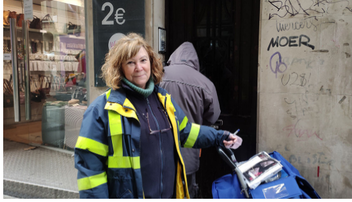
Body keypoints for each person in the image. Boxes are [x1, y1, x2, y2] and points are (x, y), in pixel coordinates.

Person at [74, 34, 241, 198]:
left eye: (143, 60)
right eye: (130, 62)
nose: (139, 68)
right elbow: (90, 170)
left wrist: (220, 137)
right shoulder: (101, 109)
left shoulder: (164, 100)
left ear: (151, 63)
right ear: (120, 68)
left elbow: (186, 131)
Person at [159, 42, 221, 199]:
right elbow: (213, 116)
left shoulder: (156, 76)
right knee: (187, 191)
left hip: (158, 153)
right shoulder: (205, 83)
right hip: (188, 152)